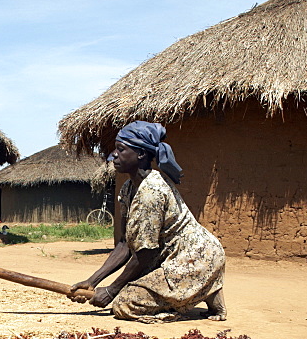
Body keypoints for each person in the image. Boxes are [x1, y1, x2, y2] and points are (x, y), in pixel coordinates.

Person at [68, 121, 226, 323]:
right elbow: (125, 244)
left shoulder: (151, 192)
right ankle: (204, 289)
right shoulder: (128, 188)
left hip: (195, 258)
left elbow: (146, 252)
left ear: (141, 154)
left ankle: (200, 289)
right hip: (179, 254)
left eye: (121, 149)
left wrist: (111, 290)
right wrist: (92, 282)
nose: (114, 155)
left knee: (124, 304)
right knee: (127, 288)